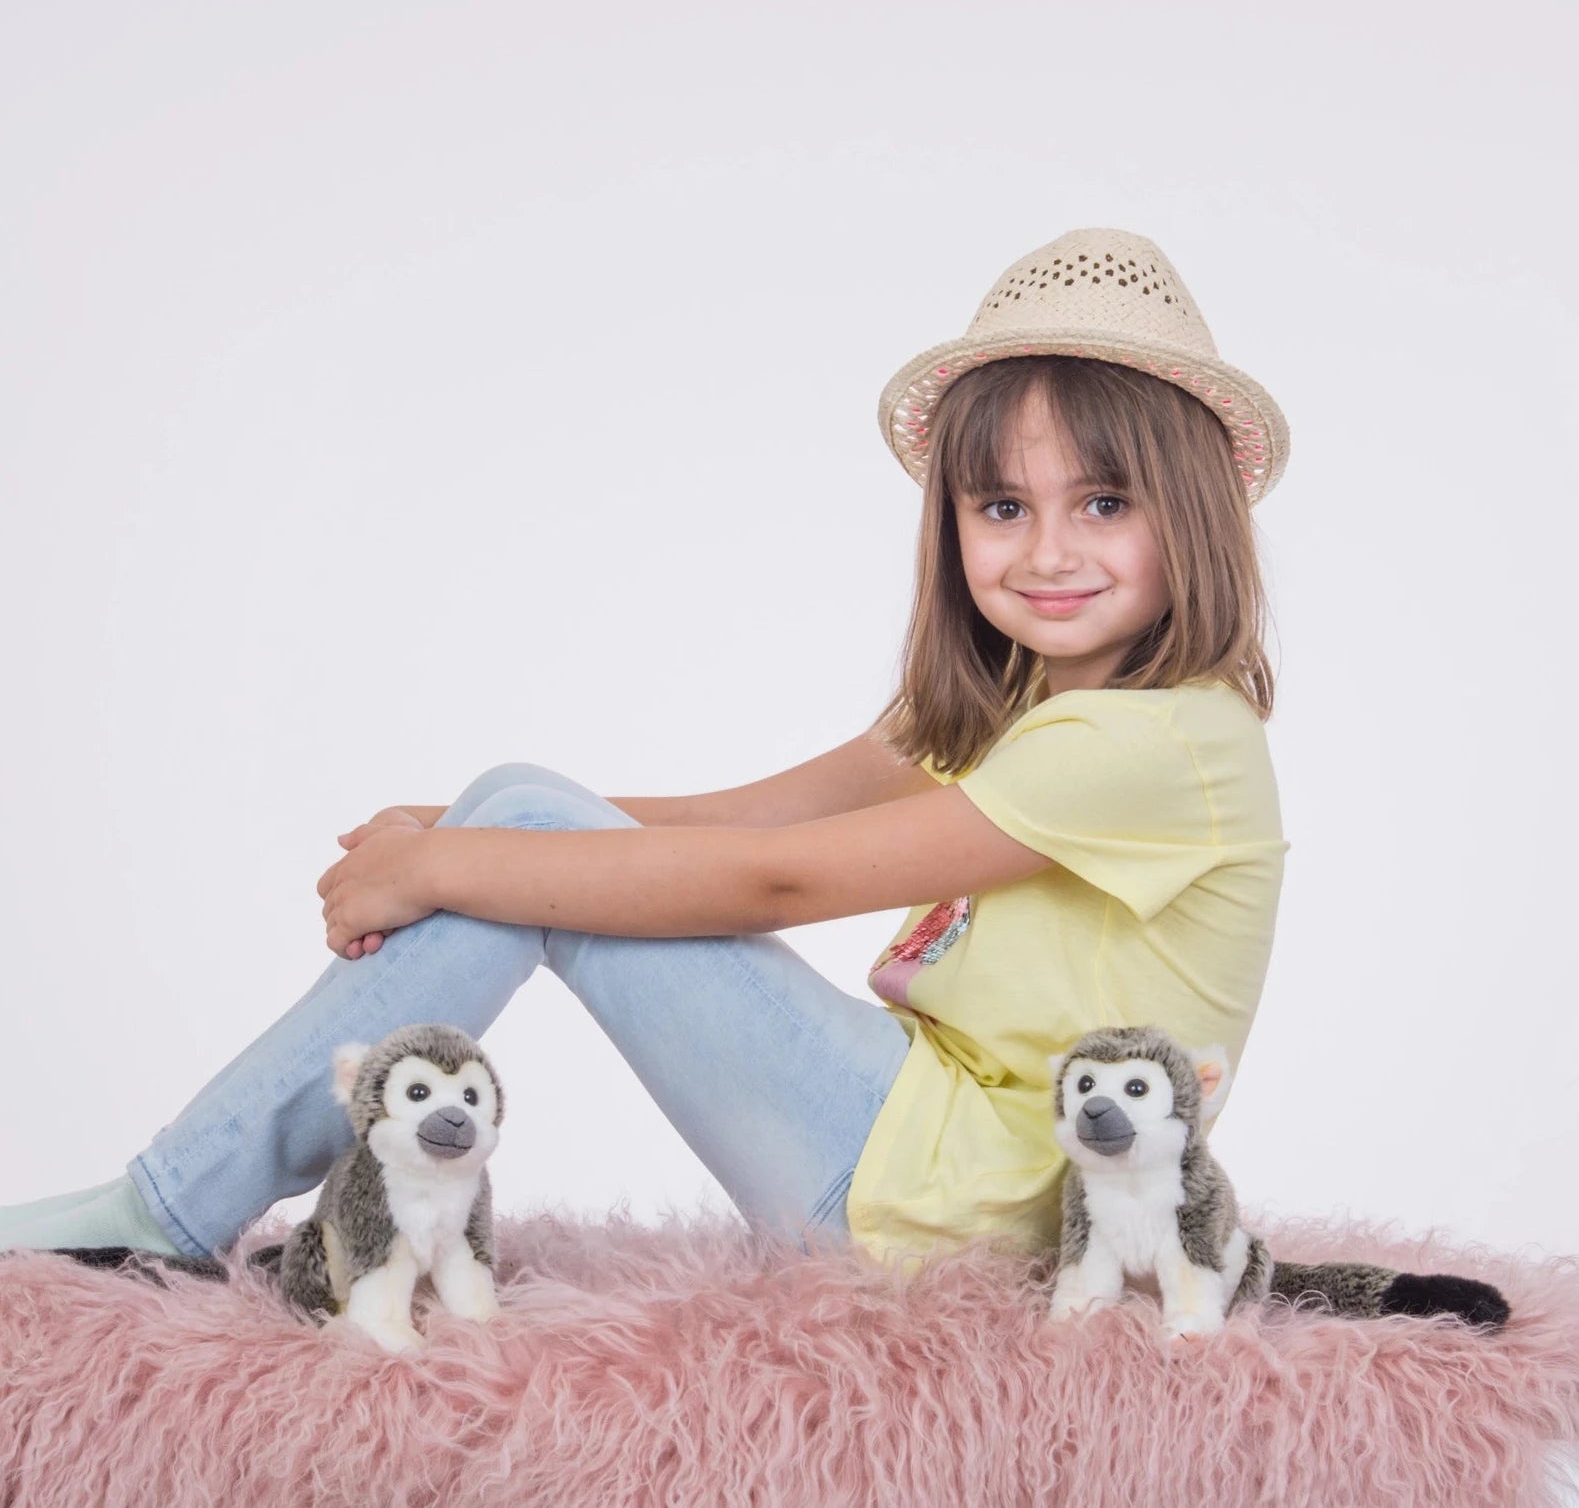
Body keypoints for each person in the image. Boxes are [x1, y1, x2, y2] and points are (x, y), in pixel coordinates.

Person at [0, 226, 1290, 1282]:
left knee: (523, 838)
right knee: (527, 801)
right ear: (950, 524)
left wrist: (459, 866)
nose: (1048, 551)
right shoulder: (1019, 699)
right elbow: (757, 820)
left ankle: (168, 1211)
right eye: (1002, 507)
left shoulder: (1162, 744)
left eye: (1104, 503)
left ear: (1197, 514)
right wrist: (463, 830)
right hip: (911, 1143)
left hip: (961, 1214)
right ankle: (178, 1201)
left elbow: (782, 886)